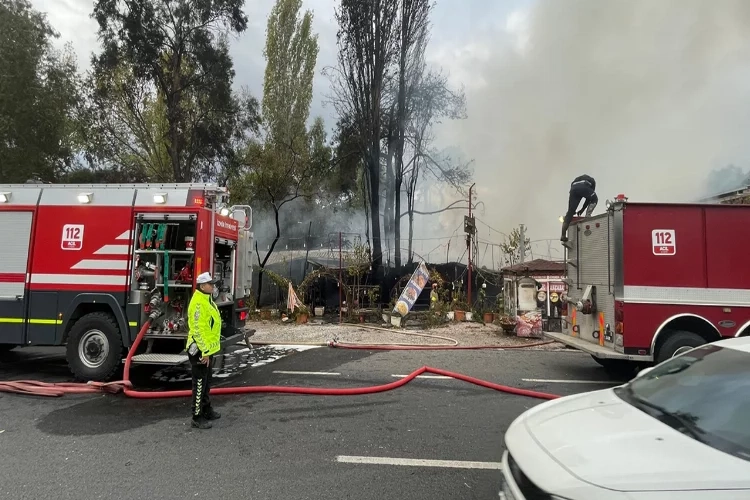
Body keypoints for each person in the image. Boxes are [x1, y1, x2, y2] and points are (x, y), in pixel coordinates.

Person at [186, 272, 223, 429]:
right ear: (202, 286)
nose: (213, 286)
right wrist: (205, 352)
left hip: (207, 349)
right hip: (200, 351)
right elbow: (197, 330)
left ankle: (206, 409)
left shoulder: (206, 299)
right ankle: (196, 416)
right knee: (200, 383)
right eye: (210, 284)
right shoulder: (199, 304)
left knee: (207, 381)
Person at [561, 174, 598, 242]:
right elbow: (589, 199)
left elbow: (571, 202)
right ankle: (588, 216)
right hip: (583, 187)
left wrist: (572, 210)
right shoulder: (592, 181)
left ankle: (563, 235)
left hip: (573, 188)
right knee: (595, 199)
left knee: (570, 212)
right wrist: (583, 210)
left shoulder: (577, 179)